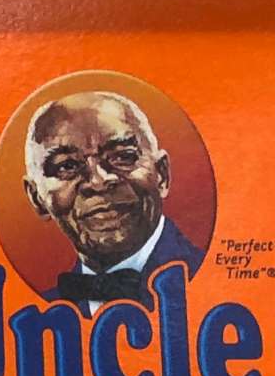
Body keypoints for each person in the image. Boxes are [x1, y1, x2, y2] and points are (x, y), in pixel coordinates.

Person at [22, 90, 205, 311]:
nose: (98, 181)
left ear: (162, 175)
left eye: (123, 157)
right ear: (37, 198)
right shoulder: (45, 311)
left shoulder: (212, 279)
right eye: (67, 166)